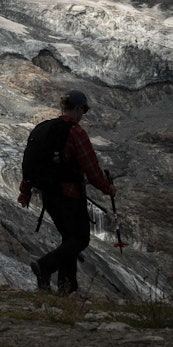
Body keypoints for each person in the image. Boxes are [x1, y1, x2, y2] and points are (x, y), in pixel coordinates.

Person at [18, 90, 117, 294]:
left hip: (48, 194)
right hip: (70, 195)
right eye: (83, 110)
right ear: (79, 108)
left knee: (69, 239)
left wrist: (25, 191)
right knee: (80, 239)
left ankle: (67, 288)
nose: (83, 114)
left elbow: (29, 163)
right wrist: (108, 188)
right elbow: (91, 168)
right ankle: (45, 266)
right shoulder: (75, 132)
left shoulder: (43, 129)